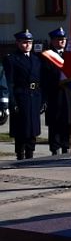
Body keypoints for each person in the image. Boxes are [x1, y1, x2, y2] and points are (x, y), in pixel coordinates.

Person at [3, 30, 43, 160]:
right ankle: (20, 154)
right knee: (21, 128)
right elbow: (9, 82)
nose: (28, 45)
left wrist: (42, 99)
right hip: (21, 96)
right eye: (25, 42)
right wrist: (12, 101)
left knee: (33, 128)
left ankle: (30, 154)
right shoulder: (12, 59)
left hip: (34, 96)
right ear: (18, 43)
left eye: (30, 42)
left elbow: (40, 80)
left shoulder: (36, 59)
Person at [41, 27, 71, 155]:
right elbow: (45, 77)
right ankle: (55, 149)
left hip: (68, 95)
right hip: (54, 95)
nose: (62, 42)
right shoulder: (47, 56)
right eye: (59, 40)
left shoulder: (69, 55)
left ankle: (65, 147)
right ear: (52, 41)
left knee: (67, 122)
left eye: (63, 39)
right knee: (55, 124)